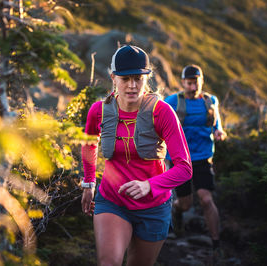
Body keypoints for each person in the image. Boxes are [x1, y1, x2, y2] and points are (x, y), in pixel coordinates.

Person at [80, 45, 192, 266]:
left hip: (154, 205)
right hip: (112, 201)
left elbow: (184, 168)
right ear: (113, 78)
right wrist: (88, 182)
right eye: (125, 79)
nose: (132, 85)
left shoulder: (162, 113)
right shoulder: (98, 110)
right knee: (108, 263)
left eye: (138, 78)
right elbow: (89, 144)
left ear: (146, 78)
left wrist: (150, 185)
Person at [164, 64, 227, 253]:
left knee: (206, 199)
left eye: (196, 82)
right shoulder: (172, 101)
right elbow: (159, 125)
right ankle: (176, 210)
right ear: (182, 82)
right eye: (189, 83)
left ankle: (216, 242)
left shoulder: (210, 101)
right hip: (179, 158)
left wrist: (219, 131)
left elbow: (217, 123)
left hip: (203, 156)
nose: (193, 87)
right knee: (186, 204)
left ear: (202, 81)